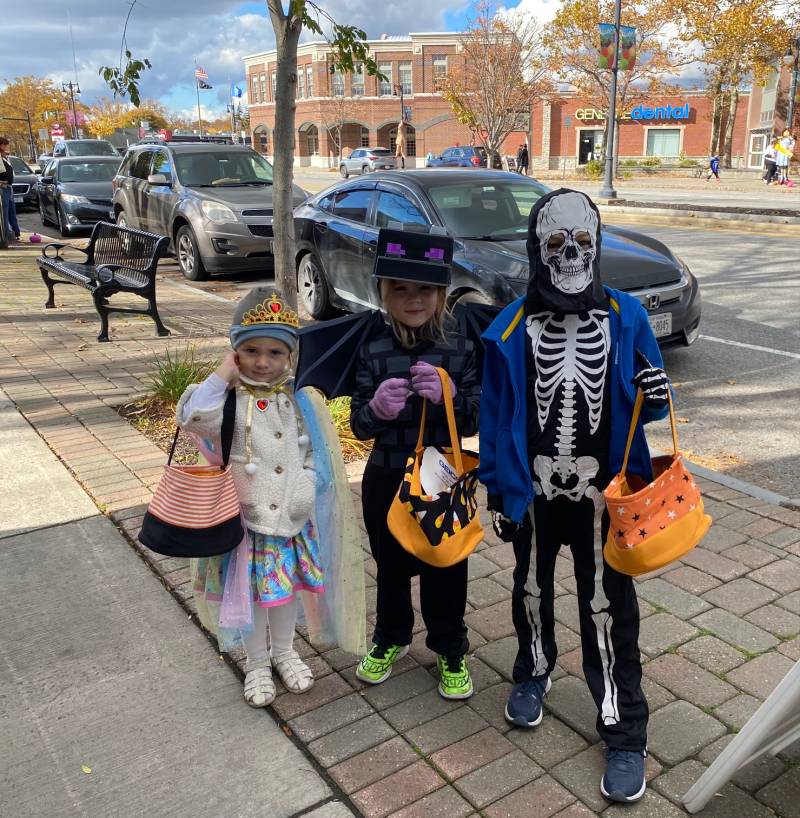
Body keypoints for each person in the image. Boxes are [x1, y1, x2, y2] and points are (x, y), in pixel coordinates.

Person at [479, 189, 671, 804]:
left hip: (601, 497)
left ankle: (622, 726)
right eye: (556, 242)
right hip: (534, 492)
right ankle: (533, 671)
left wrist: (658, 393)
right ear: (538, 248)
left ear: (596, 246)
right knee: (531, 588)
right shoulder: (508, 326)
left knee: (607, 607)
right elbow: (495, 411)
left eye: (581, 243)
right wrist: (498, 491)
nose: (569, 254)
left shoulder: (626, 316)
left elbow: (651, 404)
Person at [177, 287, 365, 708]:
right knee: (251, 597)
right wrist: (224, 374)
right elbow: (193, 417)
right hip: (245, 525)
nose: (263, 362)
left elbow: (317, 453)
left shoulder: (299, 400)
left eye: (276, 352)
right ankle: (257, 661)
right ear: (235, 351)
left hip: (291, 519)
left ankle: (284, 651)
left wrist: (305, 488)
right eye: (251, 350)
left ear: (290, 356)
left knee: (283, 593)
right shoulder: (226, 399)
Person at [350, 230, 480, 699]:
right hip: (386, 474)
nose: (413, 299)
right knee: (390, 565)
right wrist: (375, 411)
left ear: (440, 293)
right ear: (385, 292)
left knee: (446, 565)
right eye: (400, 290)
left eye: (424, 290)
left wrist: (451, 397)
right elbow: (359, 423)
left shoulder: (460, 345)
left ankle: (449, 647)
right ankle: (391, 637)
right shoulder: (371, 344)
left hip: (441, 478)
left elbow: (476, 413)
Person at [0, 137, 21, 243]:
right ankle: (7, 234)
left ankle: (15, 232)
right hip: (3, 188)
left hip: (9, 187)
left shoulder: (5, 158)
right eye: (5, 144)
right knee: (5, 211)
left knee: (11, 211)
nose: (6, 147)